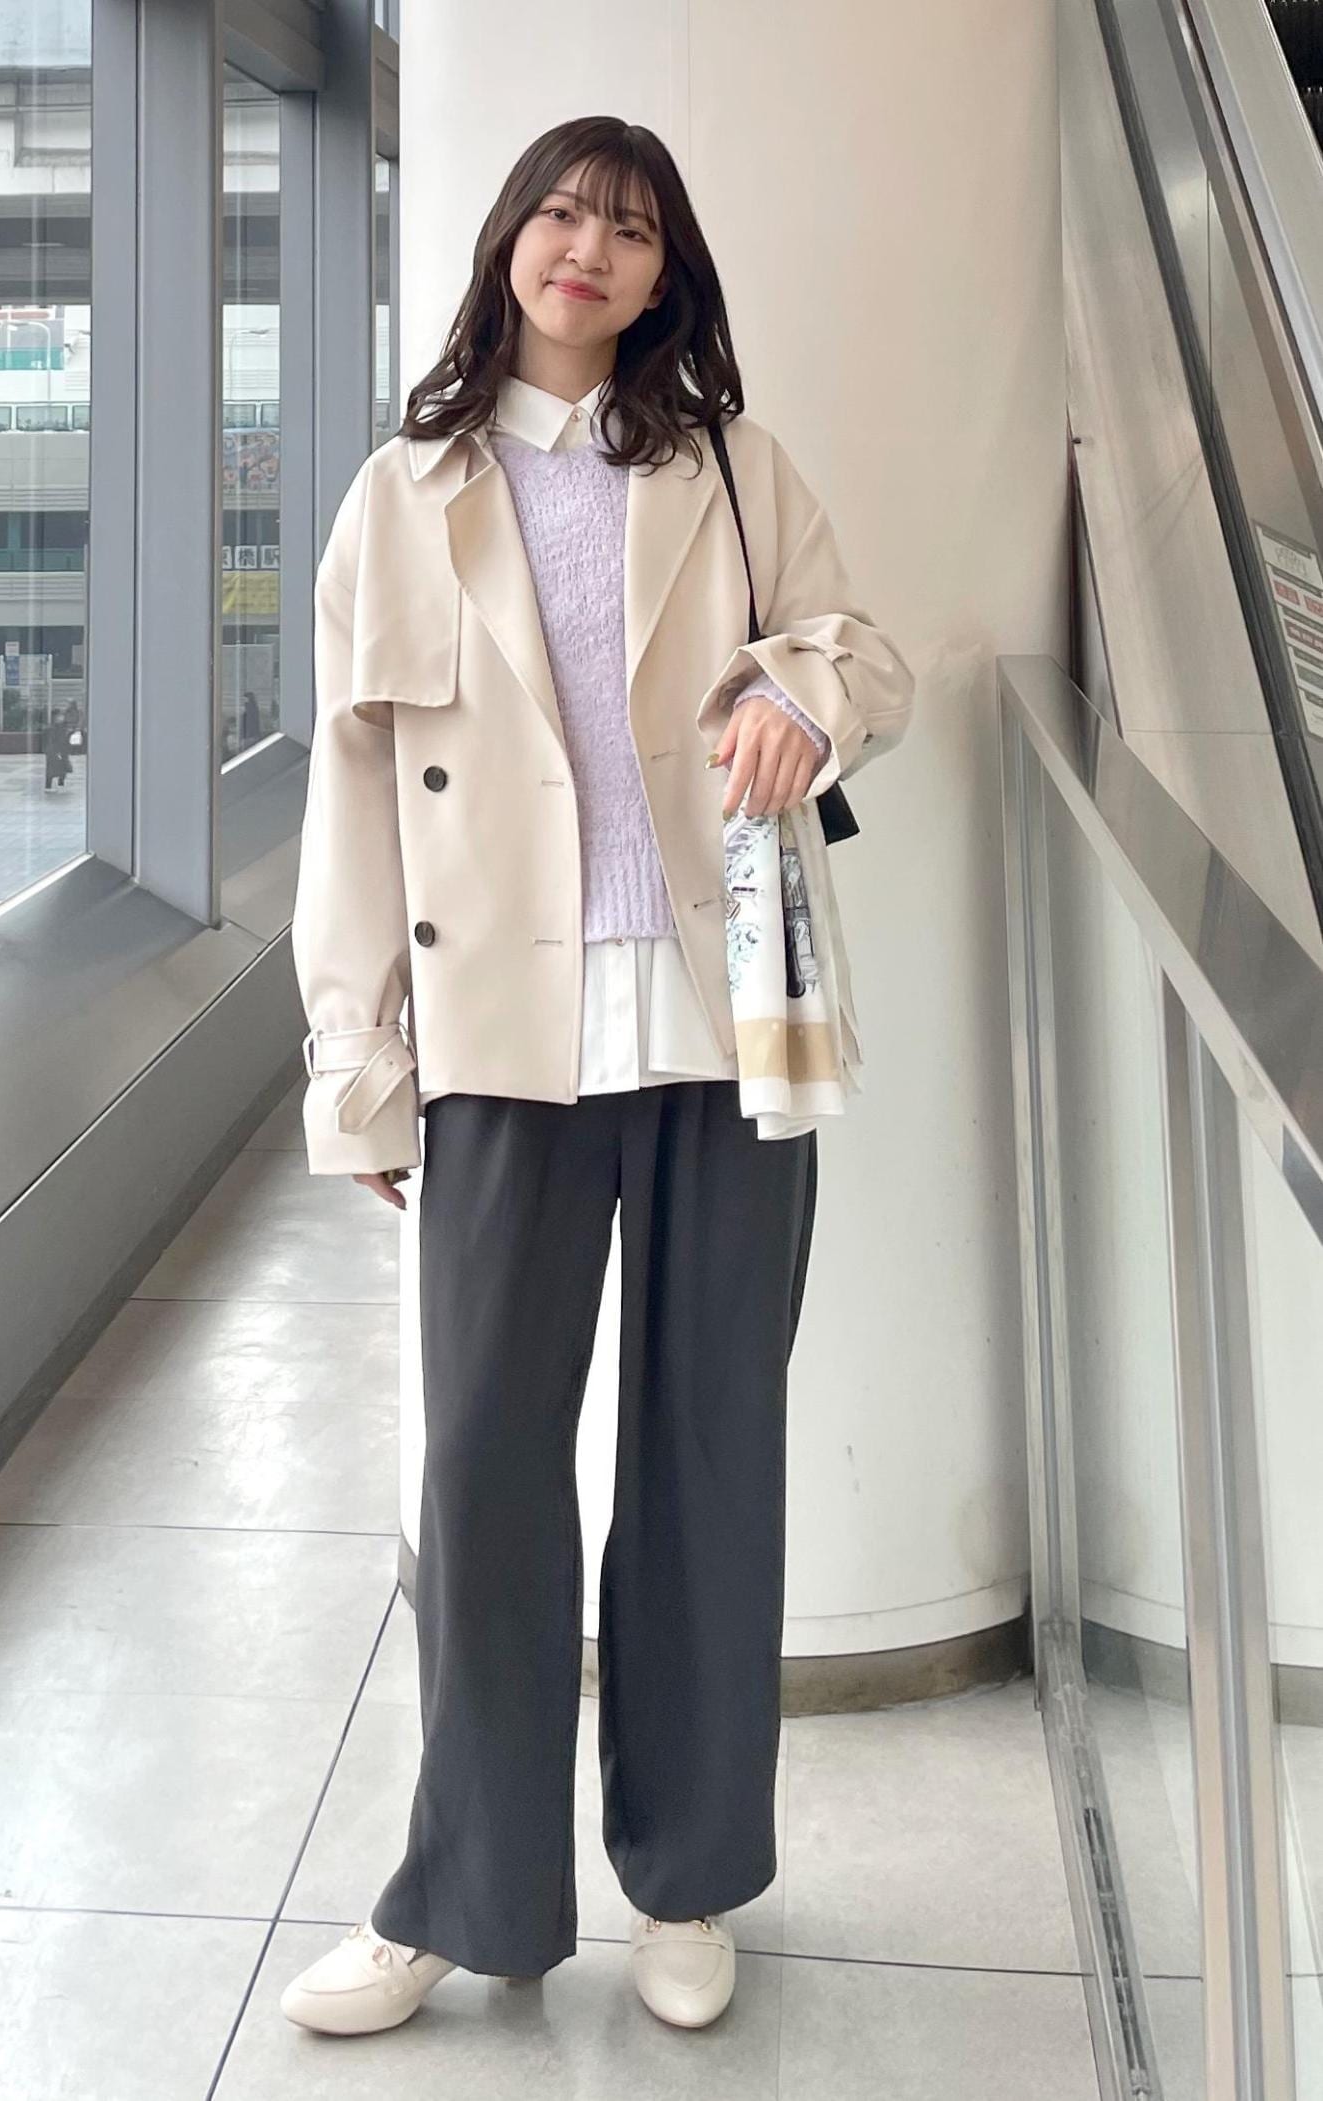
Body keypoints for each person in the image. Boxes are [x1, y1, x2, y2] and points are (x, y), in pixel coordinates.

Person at [283, 115, 915, 2040]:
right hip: (501, 1039)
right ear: (511, 240)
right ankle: (460, 1893)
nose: (590, 249)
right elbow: (353, 797)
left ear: (665, 277)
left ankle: (690, 1876)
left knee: (709, 1451)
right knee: (481, 1467)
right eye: (563, 213)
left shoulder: (730, 464)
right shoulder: (403, 493)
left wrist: (802, 693)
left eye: (631, 231)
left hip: (726, 1025)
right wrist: (359, 1063)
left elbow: (866, 654)